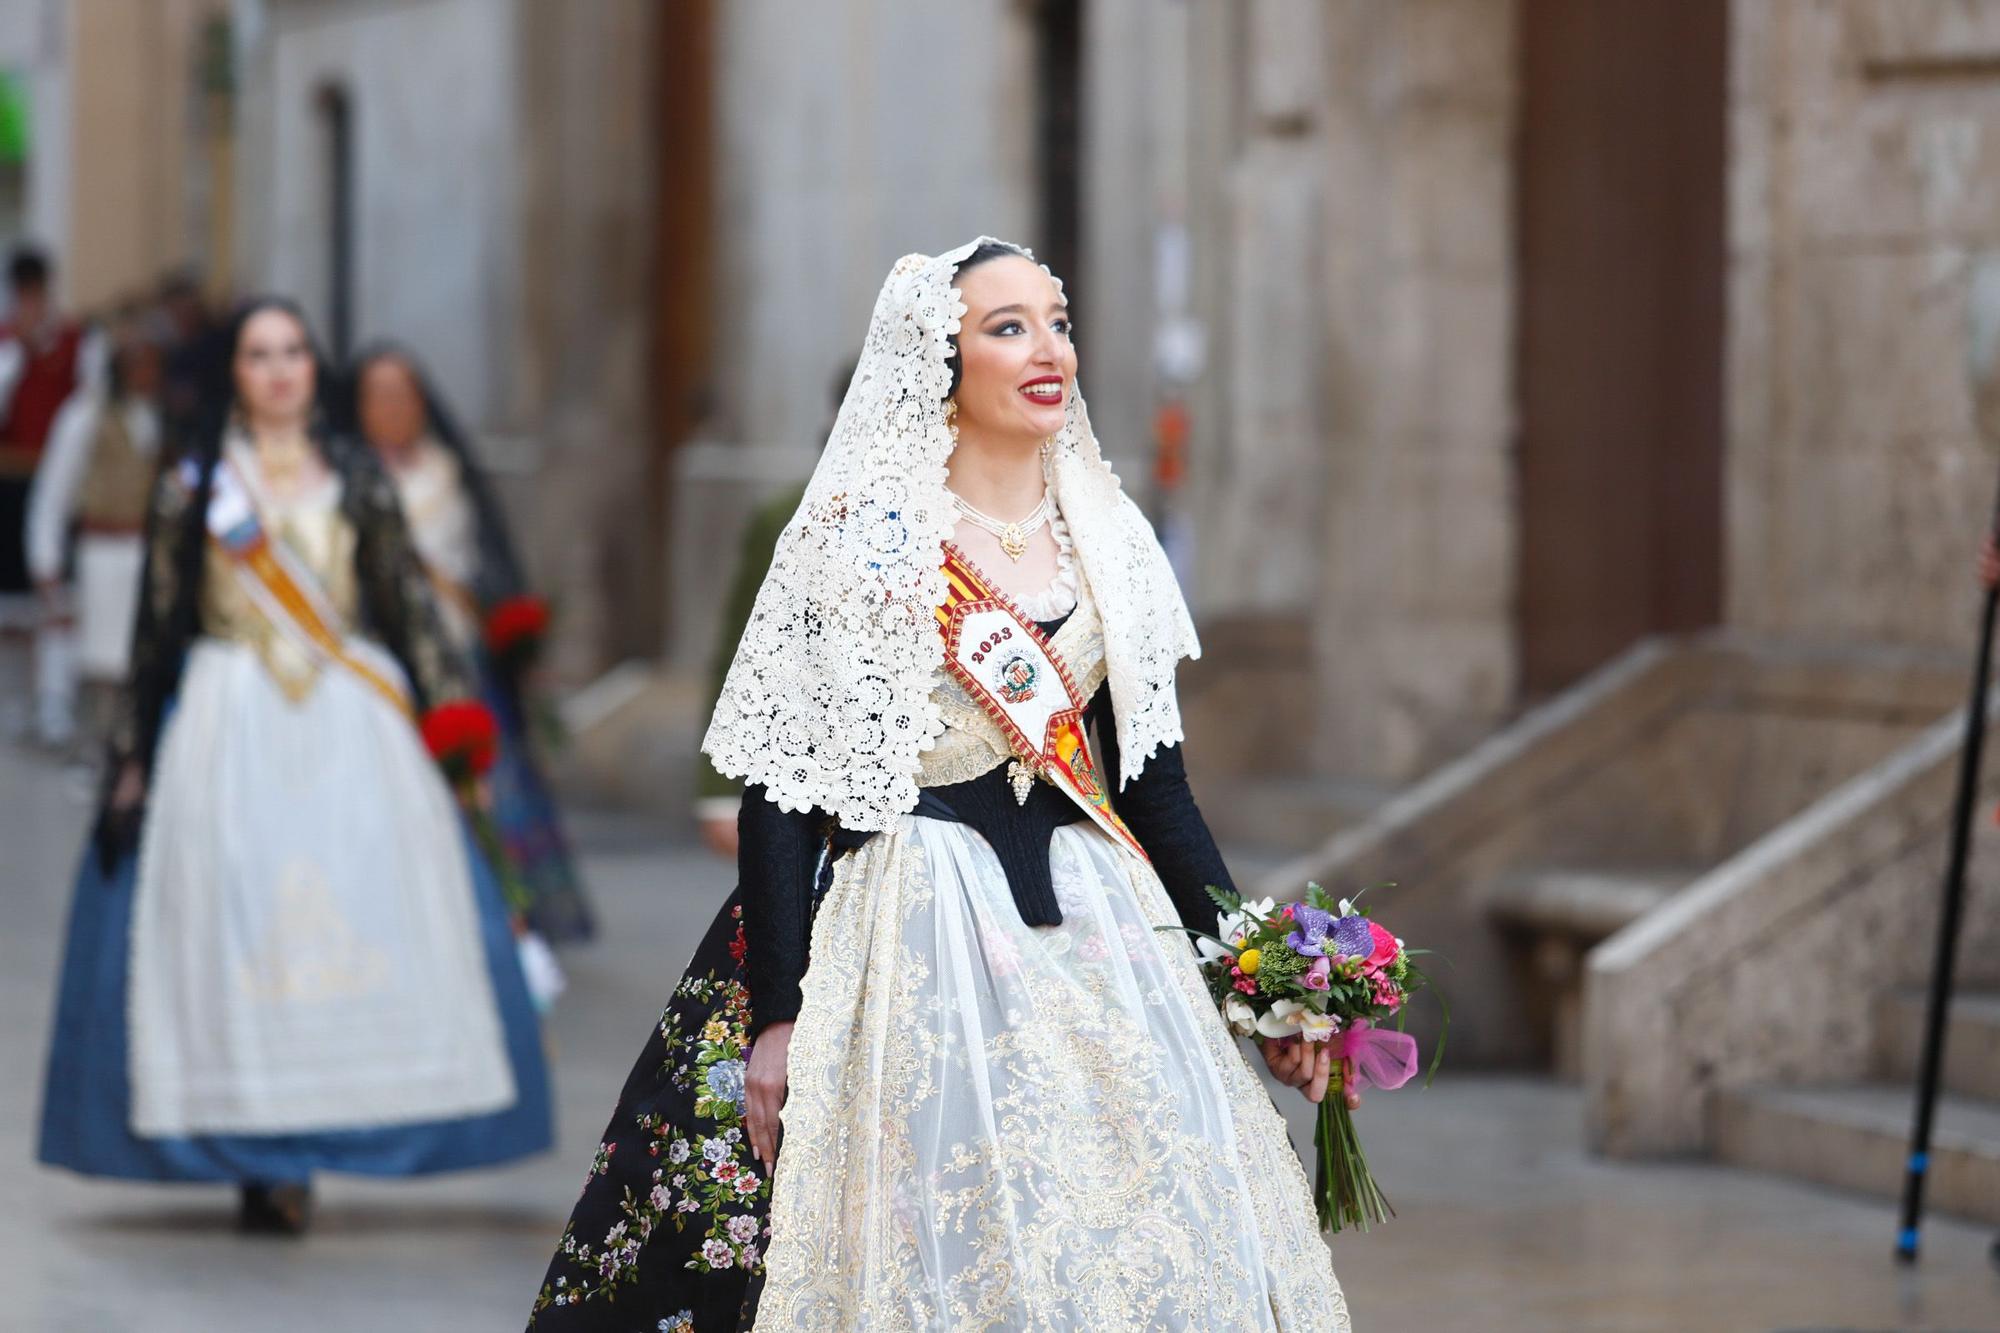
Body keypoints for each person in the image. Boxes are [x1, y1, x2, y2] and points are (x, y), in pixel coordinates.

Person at [528, 240, 1350, 1330]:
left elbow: (1154, 790)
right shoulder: (853, 543)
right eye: (1005, 326)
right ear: (936, 360)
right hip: (910, 924)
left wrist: (1259, 986)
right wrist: (779, 1017)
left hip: (1103, 938)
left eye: (1054, 320)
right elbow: (786, 789)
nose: (1045, 346)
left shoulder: (1110, 536)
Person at [36, 298, 552, 1235]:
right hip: (228, 724)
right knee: (231, 921)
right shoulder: (196, 483)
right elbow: (159, 628)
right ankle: (255, 1152)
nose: (279, 370)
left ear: (316, 369)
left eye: (294, 353)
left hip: (353, 729)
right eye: (258, 354)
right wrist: (132, 756)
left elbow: (405, 607)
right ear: (233, 371)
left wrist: (455, 728)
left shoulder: (355, 473)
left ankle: (319, 1138)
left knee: (363, 911)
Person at [339, 343, 593, 942]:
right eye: (379, 395)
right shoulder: (346, 479)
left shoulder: (448, 473)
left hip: (462, 665)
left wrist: (507, 622)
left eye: (404, 394)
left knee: (488, 792)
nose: (393, 407)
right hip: (384, 672)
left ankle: (500, 908)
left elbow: (490, 557)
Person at [23, 311, 169, 747]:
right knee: (92, 658)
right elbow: (54, 492)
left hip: (140, 550)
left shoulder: (158, 418)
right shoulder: (85, 417)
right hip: (97, 551)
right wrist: (45, 558)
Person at [0, 245, 105, 740]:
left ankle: (52, 699)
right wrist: (17, 349)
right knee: (15, 600)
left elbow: (88, 403)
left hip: (61, 477)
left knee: (57, 591)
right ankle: (20, 695)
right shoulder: (7, 342)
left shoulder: (76, 339)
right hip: (13, 479)